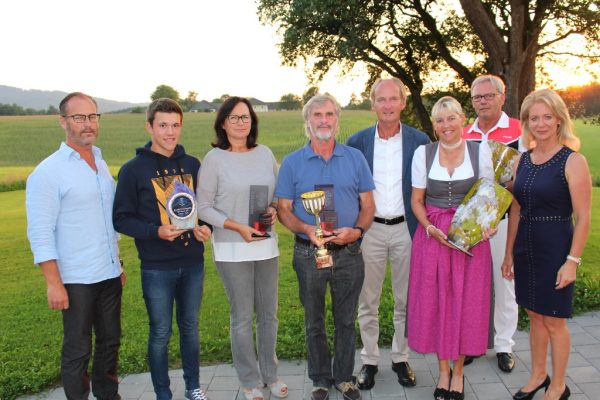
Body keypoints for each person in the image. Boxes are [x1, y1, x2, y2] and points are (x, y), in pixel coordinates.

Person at [276, 94, 375, 400]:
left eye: (329, 114)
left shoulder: (355, 158)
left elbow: (369, 205)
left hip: (349, 252)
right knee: (314, 320)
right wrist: (307, 228)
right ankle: (320, 378)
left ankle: (345, 377)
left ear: (337, 119)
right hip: (309, 253)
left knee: (346, 320)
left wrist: (356, 231)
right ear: (308, 122)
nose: (323, 120)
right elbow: (283, 209)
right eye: (317, 115)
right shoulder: (293, 163)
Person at [26, 92, 124, 400]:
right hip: (76, 279)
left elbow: (106, 221)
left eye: (93, 116)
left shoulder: (100, 161)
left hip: (108, 274)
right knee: (78, 350)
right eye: (79, 117)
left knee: (110, 343)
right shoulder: (48, 172)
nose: (88, 124)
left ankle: (109, 396)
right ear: (63, 122)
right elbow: (40, 233)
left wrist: (118, 264)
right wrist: (53, 283)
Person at [112, 98, 211, 400]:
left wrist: (206, 226)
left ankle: (193, 388)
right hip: (156, 267)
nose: (170, 132)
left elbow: (203, 208)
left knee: (190, 328)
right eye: (163, 125)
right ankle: (163, 394)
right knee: (160, 333)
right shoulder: (133, 170)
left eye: (175, 125)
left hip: (192, 262)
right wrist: (155, 231)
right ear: (150, 127)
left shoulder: (193, 165)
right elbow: (121, 218)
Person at [501, 88, 591, 400]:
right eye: (533, 118)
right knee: (535, 315)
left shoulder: (573, 160)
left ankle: (559, 385)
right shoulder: (522, 160)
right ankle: (539, 374)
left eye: (547, 117)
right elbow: (515, 208)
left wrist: (572, 261)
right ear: (526, 123)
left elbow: (584, 217)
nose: (540, 123)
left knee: (554, 320)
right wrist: (508, 253)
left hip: (556, 247)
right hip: (526, 246)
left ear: (558, 120)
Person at [196, 97, 287, 400]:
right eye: (233, 118)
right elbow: (204, 208)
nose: (240, 122)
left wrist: (273, 209)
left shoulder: (264, 154)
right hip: (232, 249)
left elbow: (277, 195)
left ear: (253, 121)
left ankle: (271, 375)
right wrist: (236, 226)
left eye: (245, 117)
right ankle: (249, 380)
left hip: (265, 247)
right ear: (223, 123)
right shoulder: (214, 159)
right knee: (243, 317)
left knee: (269, 316)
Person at [407, 96, 494, 400]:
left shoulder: (480, 150)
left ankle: (459, 372)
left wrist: (487, 224)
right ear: (433, 125)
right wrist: (429, 227)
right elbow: (417, 201)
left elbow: (488, 197)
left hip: (469, 239)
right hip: (433, 238)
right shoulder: (423, 154)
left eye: (452, 118)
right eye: (440, 120)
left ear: (462, 120)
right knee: (436, 303)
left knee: (466, 303)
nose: (447, 125)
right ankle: (443, 370)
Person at [346, 78, 429, 390]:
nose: (388, 105)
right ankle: (369, 360)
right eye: (381, 99)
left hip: (408, 230)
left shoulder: (419, 140)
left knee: (405, 300)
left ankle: (400, 356)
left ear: (403, 103)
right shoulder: (358, 142)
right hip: (371, 231)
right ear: (373, 104)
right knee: (368, 300)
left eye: (394, 99)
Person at [462, 74, 521, 372]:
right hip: (471, 222)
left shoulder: (519, 130)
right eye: (477, 97)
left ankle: (504, 345)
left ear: (502, 96)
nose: (482, 101)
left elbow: (526, 176)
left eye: (488, 96)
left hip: (505, 220)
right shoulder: (464, 133)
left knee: (505, 281)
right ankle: (473, 343)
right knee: (473, 285)